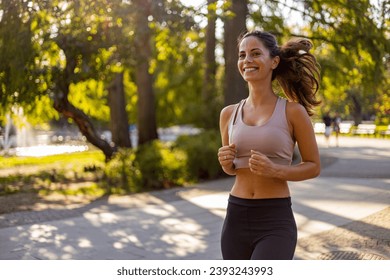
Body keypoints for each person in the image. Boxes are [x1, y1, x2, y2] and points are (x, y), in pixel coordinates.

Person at [217, 30, 321, 260]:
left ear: (274, 61)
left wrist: (276, 170)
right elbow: (232, 168)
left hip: (275, 219)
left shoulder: (293, 111)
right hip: (235, 217)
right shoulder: (228, 114)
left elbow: (313, 165)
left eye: (255, 54)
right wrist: (226, 164)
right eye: (242, 55)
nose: (247, 61)